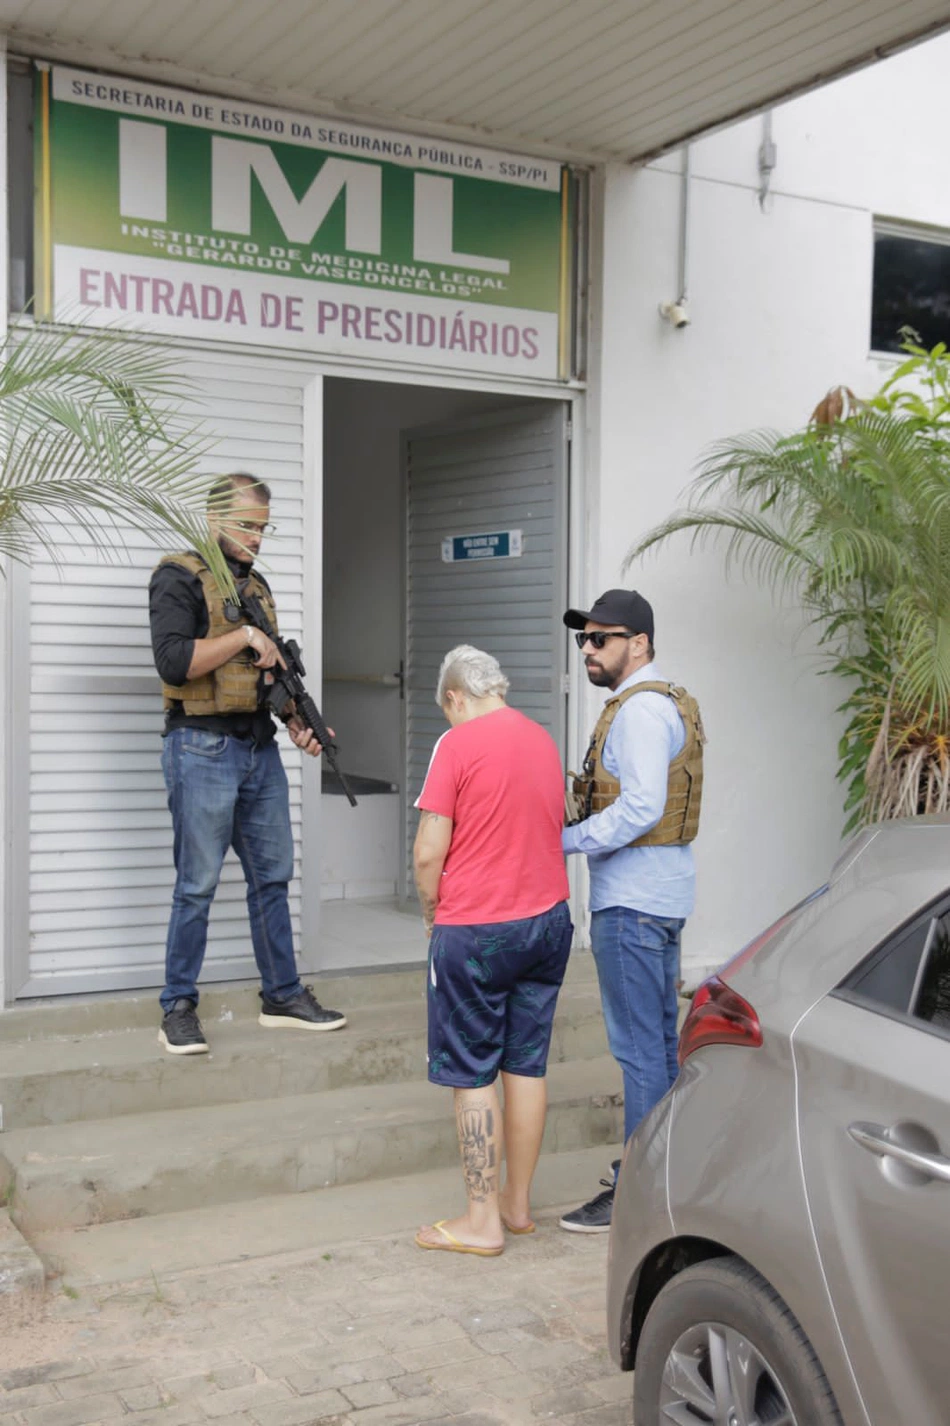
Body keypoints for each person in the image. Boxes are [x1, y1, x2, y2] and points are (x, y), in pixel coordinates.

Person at [149, 472, 346, 1055]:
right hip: (200, 748)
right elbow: (173, 661)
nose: (257, 538)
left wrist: (300, 724)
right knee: (197, 884)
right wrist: (242, 639)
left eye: (263, 528)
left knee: (272, 878)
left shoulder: (255, 588)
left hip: (258, 749)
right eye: (246, 526)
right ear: (213, 519)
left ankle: (282, 995)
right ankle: (178, 1007)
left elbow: (271, 680)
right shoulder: (177, 577)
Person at [412, 645, 573, 1256]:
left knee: (473, 1071)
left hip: (478, 930)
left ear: (455, 696)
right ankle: (517, 1205)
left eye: (446, 710)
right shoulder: (541, 739)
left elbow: (431, 851)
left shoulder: (456, 745)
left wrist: (433, 917)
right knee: (525, 1064)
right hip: (548, 923)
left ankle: (481, 1222)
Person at [558, 589, 704, 1232]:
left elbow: (643, 806)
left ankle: (636, 1195)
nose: (589, 649)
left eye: (601, 639)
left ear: (638, 643)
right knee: (659, 1053)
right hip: (661, 897)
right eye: (583, 639)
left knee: (641, 1052)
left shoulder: (642, 713)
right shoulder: (663, 701)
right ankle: (666, 1180)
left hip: (633, 905)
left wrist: (565, 840)